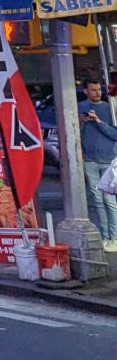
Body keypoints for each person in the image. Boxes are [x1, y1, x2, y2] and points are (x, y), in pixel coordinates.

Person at [79, 79, 117, 252]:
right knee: (97, 200)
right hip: (89, 159)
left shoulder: (110, 108)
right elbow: (71, 132)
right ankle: (104, 236)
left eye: (98, 89)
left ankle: (114, 237)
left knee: (109, 200)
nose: (97, 92)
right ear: (85, 91)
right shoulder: (79, 106)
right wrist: (82, 122)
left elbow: (114, 134)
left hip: (108, 159)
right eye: (93, 90)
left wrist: (98, 121)